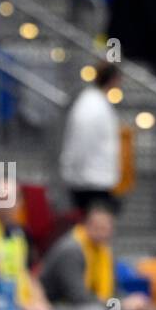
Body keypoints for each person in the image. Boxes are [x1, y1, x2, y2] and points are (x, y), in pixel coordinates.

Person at [39, 201, 151, 310]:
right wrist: (120, 305)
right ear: (87, 225)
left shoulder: (104, 251)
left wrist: (131, 302)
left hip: (91, 305)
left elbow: (114, 290)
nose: (103, 232)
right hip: (57, 308)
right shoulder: (71, 250)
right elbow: (79, 297)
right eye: (98, 227)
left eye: (106, 228)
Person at [59, 61, 122, 213]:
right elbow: (81, 141)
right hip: (89, 181)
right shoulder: (92, 106)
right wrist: (74, 171)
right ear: (113, 80)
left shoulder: (97, 103)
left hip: (95, 178)